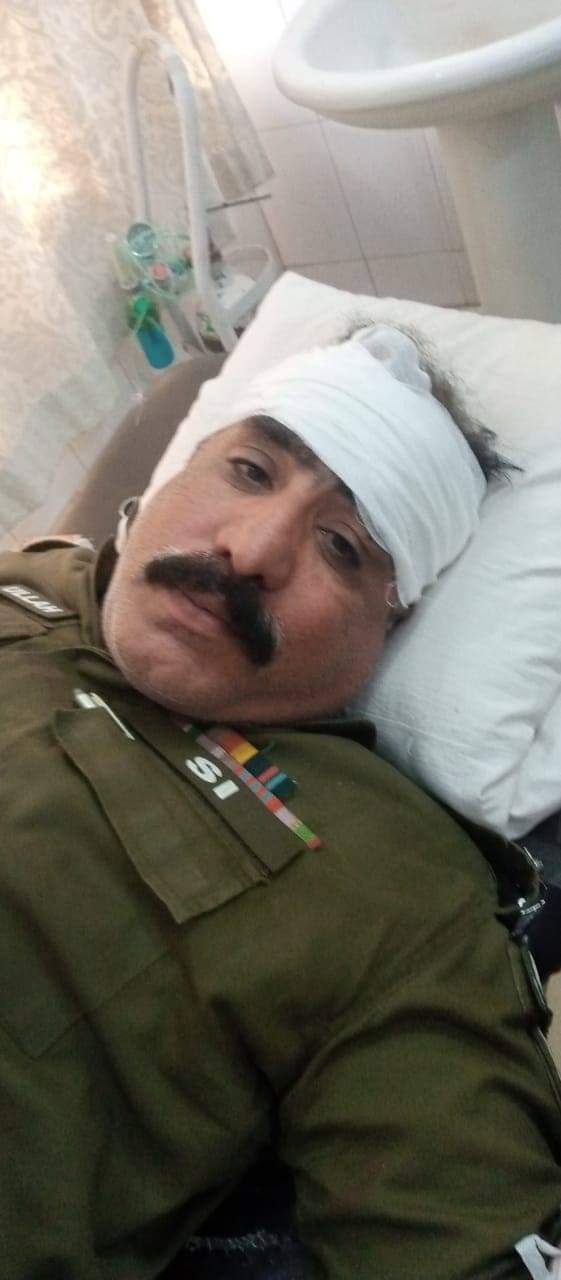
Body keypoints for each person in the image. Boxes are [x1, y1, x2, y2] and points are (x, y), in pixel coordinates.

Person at [2, 324, 561, 1280]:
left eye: (342, 547)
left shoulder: (396, 888)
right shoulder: (28, 588)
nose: (251, 548)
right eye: (250, 471)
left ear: (388, 624)